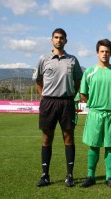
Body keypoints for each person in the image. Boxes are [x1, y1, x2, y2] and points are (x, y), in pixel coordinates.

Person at [33, 28, 83, 187]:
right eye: (56, 37)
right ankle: (45, 175)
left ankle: (70, 175)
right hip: (48, 103)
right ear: (52, 40)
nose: (59, 40)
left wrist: (69, 96)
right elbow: (38, 80)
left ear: (66, 41)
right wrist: (44, 96)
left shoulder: (73, 60)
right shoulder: (43, 59)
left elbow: (77, 82)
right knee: (47, 138)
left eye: (61, 38)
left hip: (66, 102)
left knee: (68, 137)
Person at [79, 39, 111, 189]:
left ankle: (109, 177)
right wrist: (95, 104)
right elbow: (83, 94)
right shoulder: (89, 72)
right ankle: (90, 176)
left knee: (110, 146)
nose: (104, 54)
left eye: (107, 51)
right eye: (102, 51)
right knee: (93, 146)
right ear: (97, 53)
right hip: (94, 113)